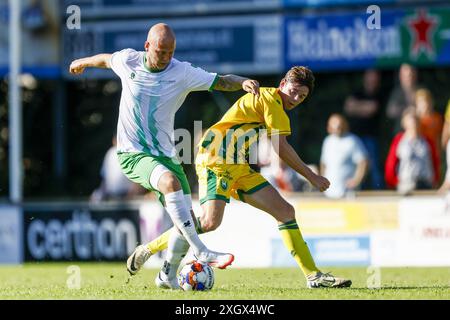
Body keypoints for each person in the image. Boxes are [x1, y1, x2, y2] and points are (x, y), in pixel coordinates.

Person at [69, 23, 261, 288]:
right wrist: (84, 61)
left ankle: (166, 275)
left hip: (166, 155)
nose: (166, 57)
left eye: (170, 51)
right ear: (147, 47)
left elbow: (221, 81)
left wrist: (243, 82)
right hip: (133, 153)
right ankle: (201, 250)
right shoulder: (129, 60)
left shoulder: (181, 72)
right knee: (170, 183)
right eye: (161, 51)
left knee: (188, 219)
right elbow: (105, 60)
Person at [127, 66, 352, 289]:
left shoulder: (274, 104)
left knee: (285, 212)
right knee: (209, 222)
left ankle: (314, 276)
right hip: (216, 157)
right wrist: (312, 176)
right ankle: (148, 249)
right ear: (283, 83)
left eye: (302, 96)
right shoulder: (271, 101)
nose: (295, 98)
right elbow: (280, 147)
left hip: (238, 165)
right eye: (293, 91)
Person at [343, 69, 384, 189]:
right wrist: (364, 107)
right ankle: (358, 190)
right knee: (356, 167)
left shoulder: (379, 94)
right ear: (365, 78)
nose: (372, 80)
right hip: (355, 137)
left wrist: (357, 106)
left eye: (374, 78)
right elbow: (348, 108)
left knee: (374, 168)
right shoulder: (357, 92)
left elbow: (372, 109)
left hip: (371, 137)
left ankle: (378, 193)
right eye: (370, 77)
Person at [385, 107, 440, 195]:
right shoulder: (399, 140)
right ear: (404, 123)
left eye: (416, 119)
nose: (413, 123)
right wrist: (394, 182)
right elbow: (391, 163)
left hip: (426, 183)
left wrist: (435, 180)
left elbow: (435, 162)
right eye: (410, 120)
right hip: (407, 185)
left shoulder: (428, 141)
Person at [320, 114, 369, 199]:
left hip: (347, 193)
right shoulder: (327, 141)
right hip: (329, 192)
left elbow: (363, 162)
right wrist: (322, 180)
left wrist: (357, 180)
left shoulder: (352, 140)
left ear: (344, 125)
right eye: (334, 126)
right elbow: (323, 163)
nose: (337, 129)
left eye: (339, 126)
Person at [90, 135, 145, 202]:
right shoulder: (110, 153)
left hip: (128, 196)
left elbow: (139, 179)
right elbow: (105, 178)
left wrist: (131, 195)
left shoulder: (131, 153)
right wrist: (99, 194)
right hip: (111, 196)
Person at [386, 63, 419, 135]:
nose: (409, 78)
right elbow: (390, 111)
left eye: (411, 75)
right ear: (401, 76)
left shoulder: (420, 91)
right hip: (400, 133)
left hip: (418, 133)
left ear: (415, 75)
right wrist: (407, 110)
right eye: (406, 76)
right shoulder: (396, 92)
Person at [415, 89, 443, 153]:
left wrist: (438, 151)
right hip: (419, 151)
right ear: (417, 104)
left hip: (433, 150)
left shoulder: (437, 118)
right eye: (421, 102)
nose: (425, 105)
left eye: (427, 101)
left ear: (431, 102)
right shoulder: (415, 120)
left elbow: (439, 137)